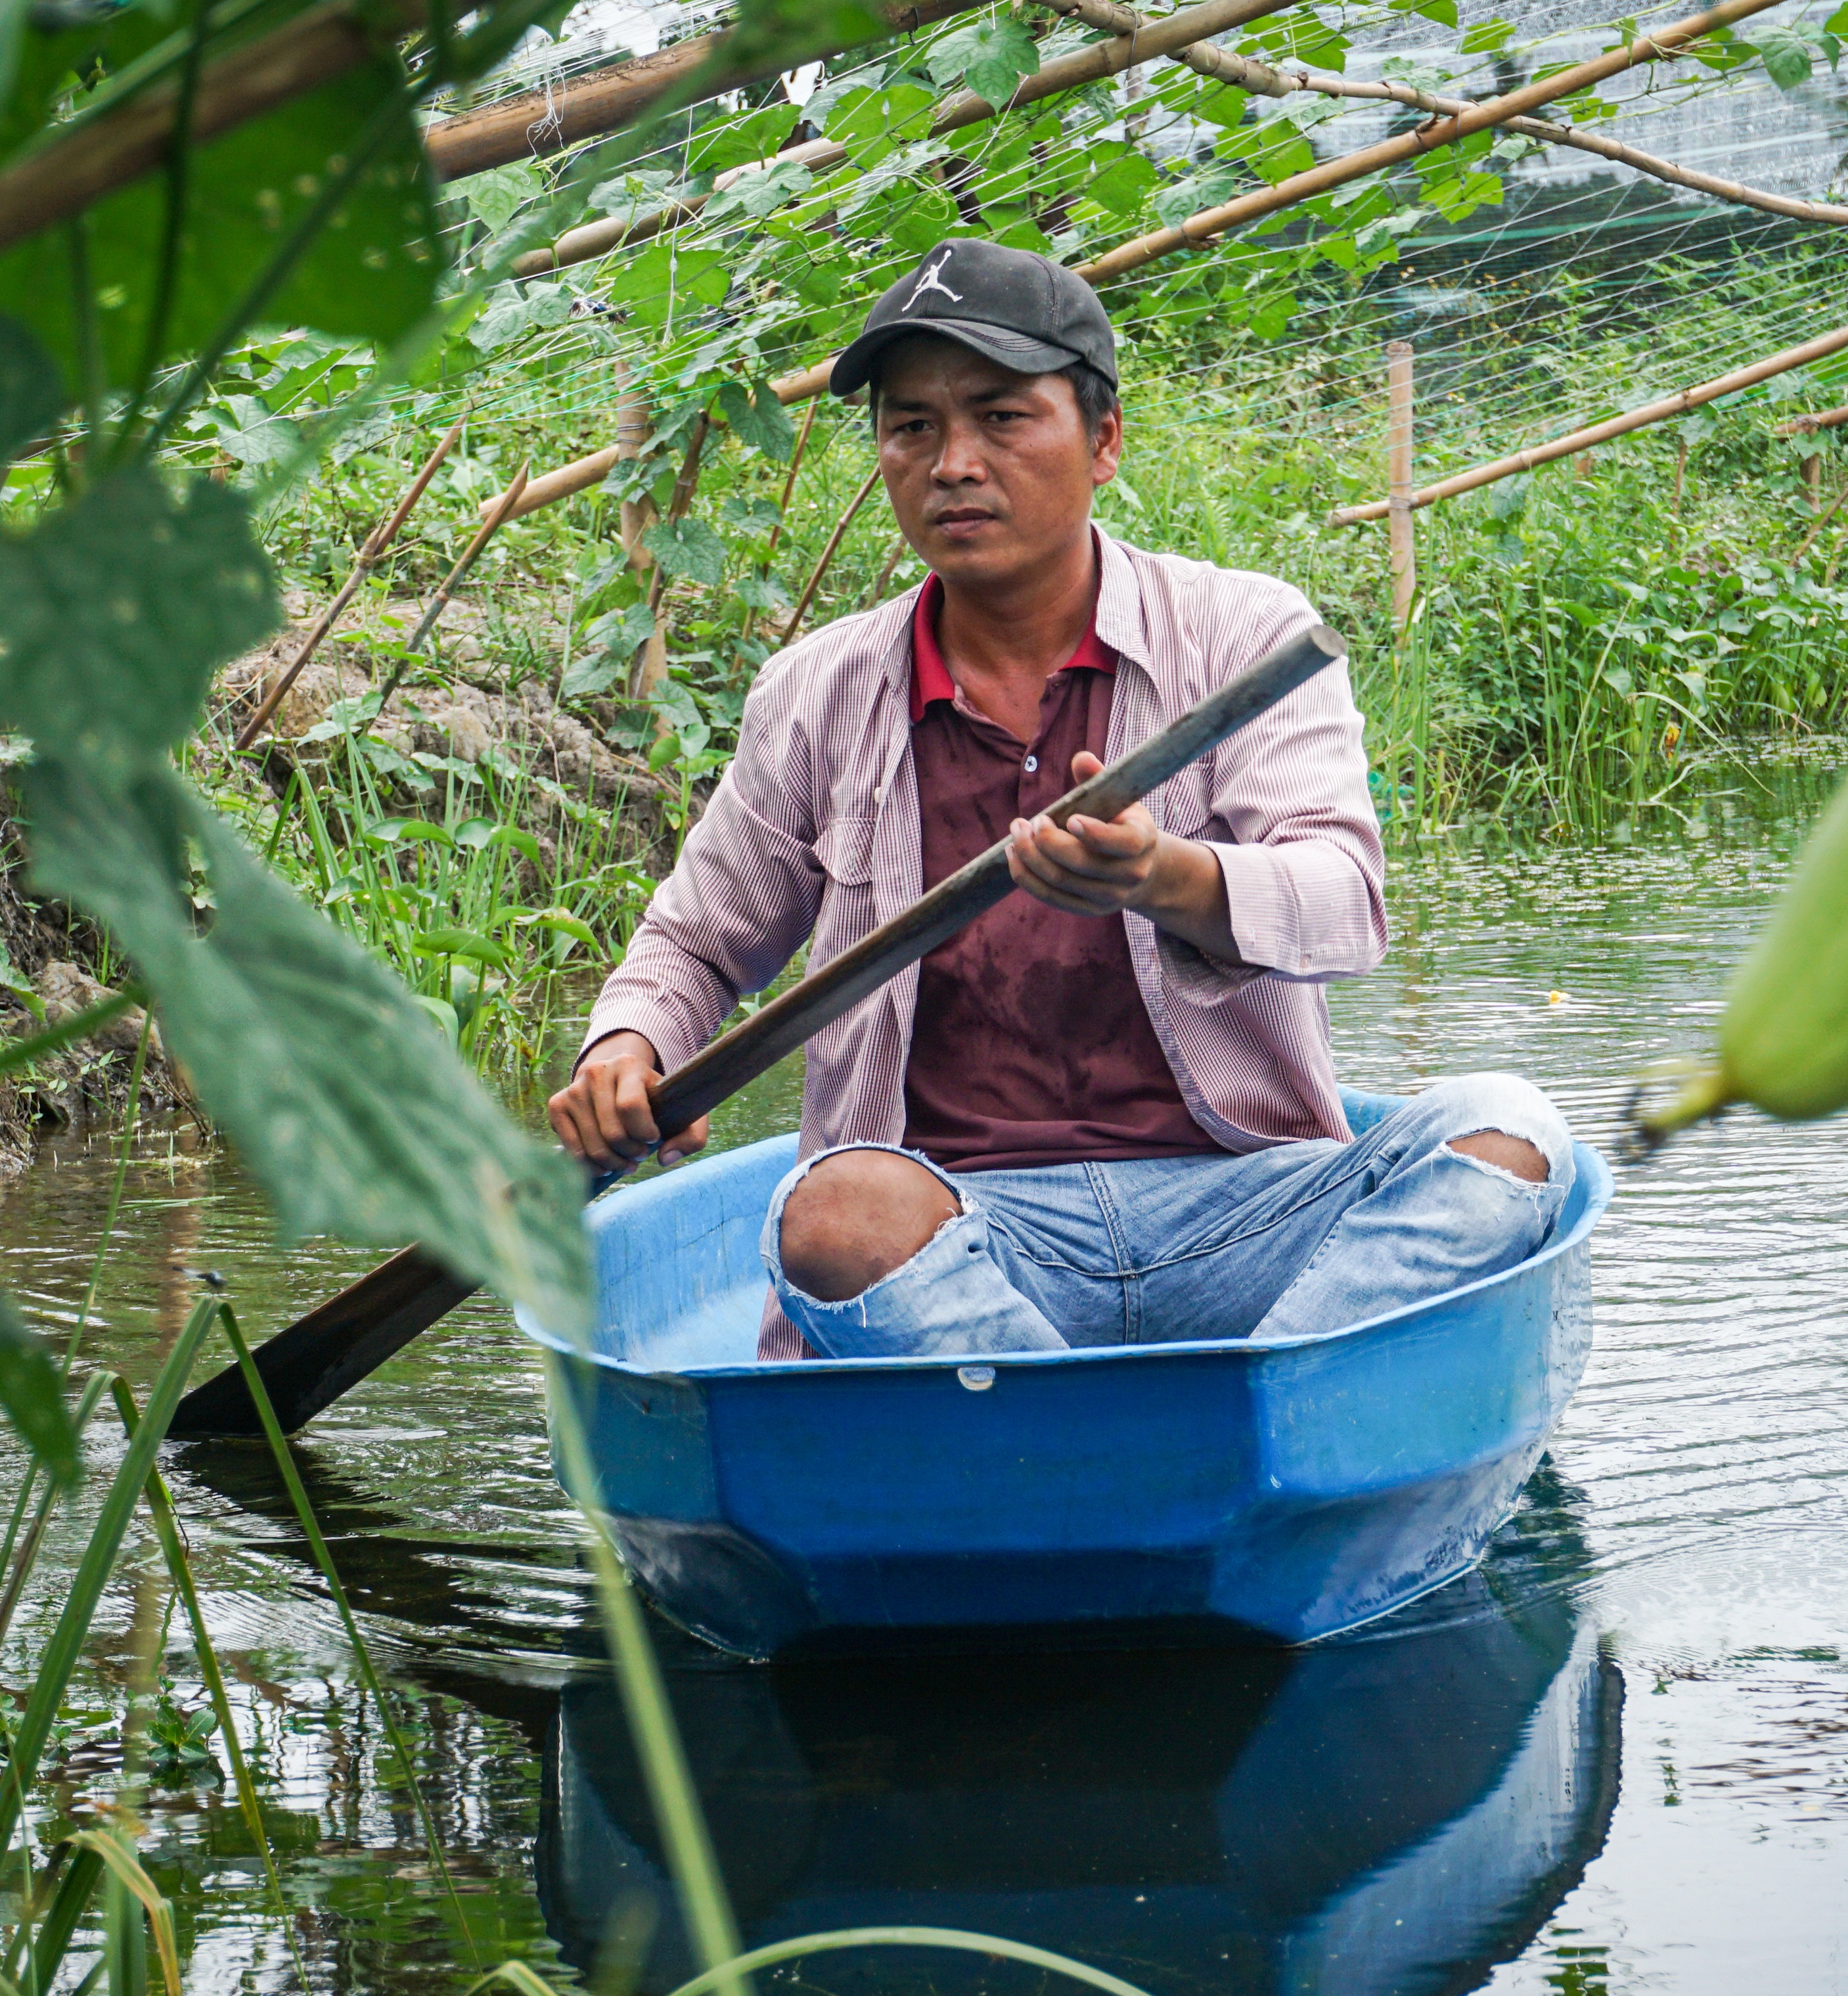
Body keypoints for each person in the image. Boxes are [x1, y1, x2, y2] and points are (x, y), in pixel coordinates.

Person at [546, 237, 1575, 1359]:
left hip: (1244, 1202)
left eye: (1000, 418)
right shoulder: (819, 691)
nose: (952, 463)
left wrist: (1165, 878)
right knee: (834, 1213)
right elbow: (696, 941)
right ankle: (1103, 1417)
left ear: (1105, 443)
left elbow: (1343, 904)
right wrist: (627, 1047)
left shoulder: (1242, 635)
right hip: (963, 1230)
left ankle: (1259, 1382)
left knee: (1509, 1136)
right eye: (911, 427)